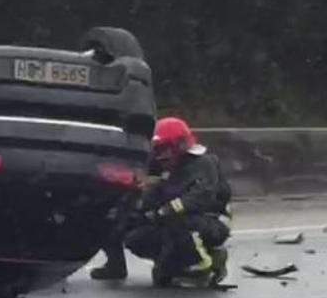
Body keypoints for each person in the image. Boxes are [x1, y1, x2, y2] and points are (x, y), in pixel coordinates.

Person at [91, 117, 232, 286]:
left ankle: (202, 266)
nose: (162, 154)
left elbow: (200, 197)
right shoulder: (161, 166)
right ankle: (118, 265)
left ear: (180, 144)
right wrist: (135, 205)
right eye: (158, 149)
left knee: (179, 219)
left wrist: (165, 210)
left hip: (211, 220)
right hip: (170, 220)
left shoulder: (205, 163)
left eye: (166, 148)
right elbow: (151, 193)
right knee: (125, 224)